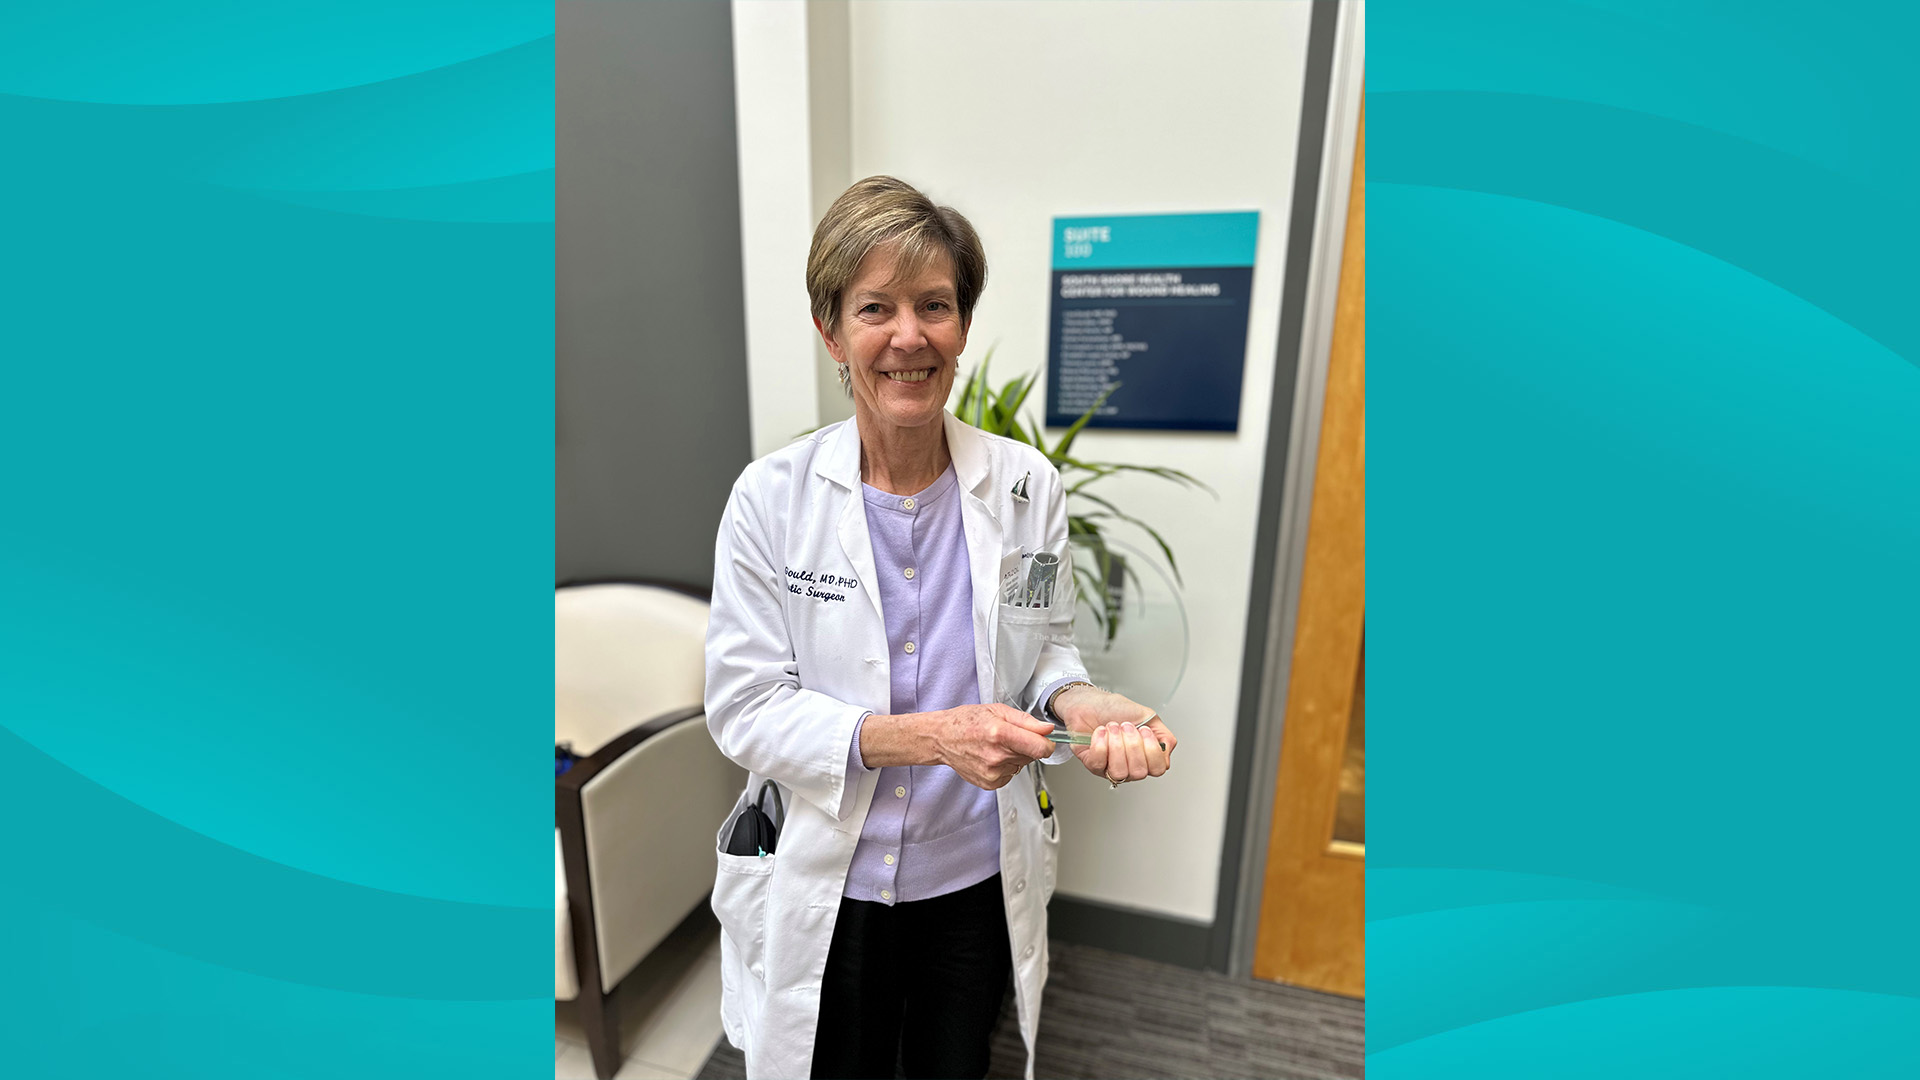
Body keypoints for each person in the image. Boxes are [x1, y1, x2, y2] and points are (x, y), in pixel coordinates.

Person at [705, 175, 1178, 1080]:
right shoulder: (771, 499)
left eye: (936, 305)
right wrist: (929, 737)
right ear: (831, 330)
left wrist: (1083, 705)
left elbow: (1045, 655)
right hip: (830, 885)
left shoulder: (1027, 484)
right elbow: (744, 709)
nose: (909, 336)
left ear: (962, 325)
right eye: (875, 307)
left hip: (971, 885)